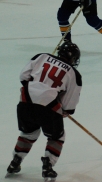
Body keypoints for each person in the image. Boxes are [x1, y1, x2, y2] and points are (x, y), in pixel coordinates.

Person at [6, 41, 82, 181]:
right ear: (73, 58)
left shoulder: (41, 56)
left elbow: (23, 76)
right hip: (49, 108)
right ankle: (48, 165)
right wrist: (63, 110)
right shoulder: (74, 73)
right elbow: (69, 104)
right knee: (57, 136)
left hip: (25, 103)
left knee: (28, 133)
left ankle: (15, 161)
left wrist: (35, 91)